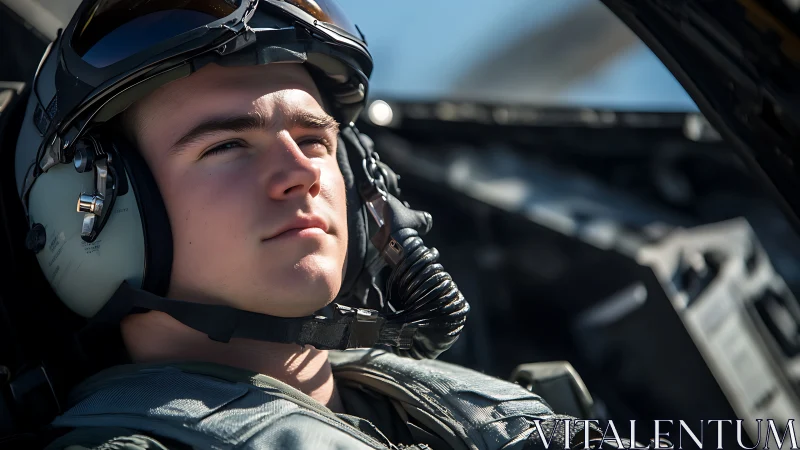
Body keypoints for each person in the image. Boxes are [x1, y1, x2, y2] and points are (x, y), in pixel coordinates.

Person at [6, 0, 614, 448]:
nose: (302, 174)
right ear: (88, 215)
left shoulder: (479, 411)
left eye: (314, 139)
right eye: (226, 147)